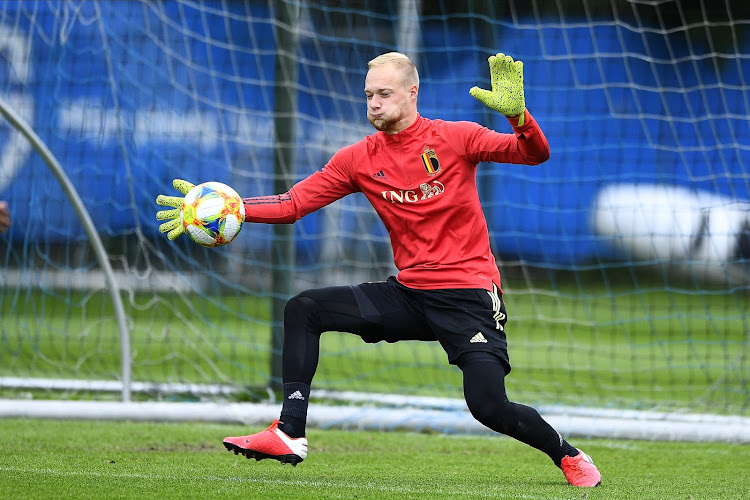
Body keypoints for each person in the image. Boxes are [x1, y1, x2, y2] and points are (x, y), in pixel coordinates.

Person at [156, 52, 602, 487]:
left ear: (412, 93)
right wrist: (229, 208)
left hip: (468, 294)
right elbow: (294, 204)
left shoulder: (457, 137)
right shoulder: (359, 158)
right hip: (409, 294)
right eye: (369, 95)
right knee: (304, 307)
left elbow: (533, 154)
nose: (373, 104)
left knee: (488, 406)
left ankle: (566, 454)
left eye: (384, 94)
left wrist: (520, 117)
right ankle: (289, 432)